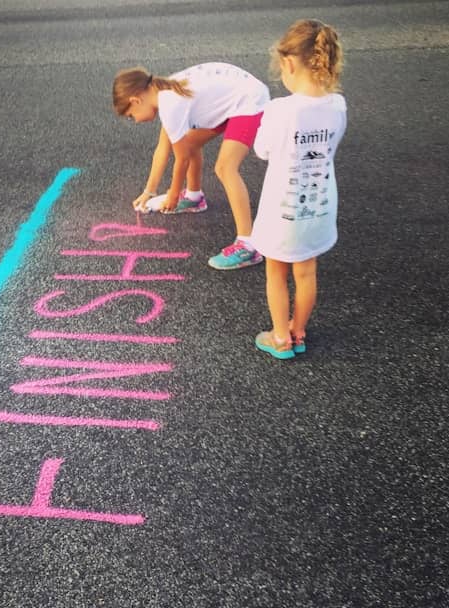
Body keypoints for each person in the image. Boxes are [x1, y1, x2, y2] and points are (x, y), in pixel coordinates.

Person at [112, 63, 270, 270]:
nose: (135, 120)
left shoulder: (170, 103)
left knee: (225, 168)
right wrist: (149, 191)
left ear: (136, 100)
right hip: (232, 98)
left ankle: (247, 245)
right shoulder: (163, 91)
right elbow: (162, 149)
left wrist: (173, 194)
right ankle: (194, 197)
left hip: (249, 101)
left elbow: (182, 158)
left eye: (131, 115)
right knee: (190, 142)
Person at [251, 19, 346, 360]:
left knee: (276, 272)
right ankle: (298, 330)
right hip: (319, 205)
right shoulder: (338, 105)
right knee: (306, 272)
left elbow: (262, 150)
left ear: (289, 63)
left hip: (283, 209)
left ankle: (280, 337)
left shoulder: (280, 110)